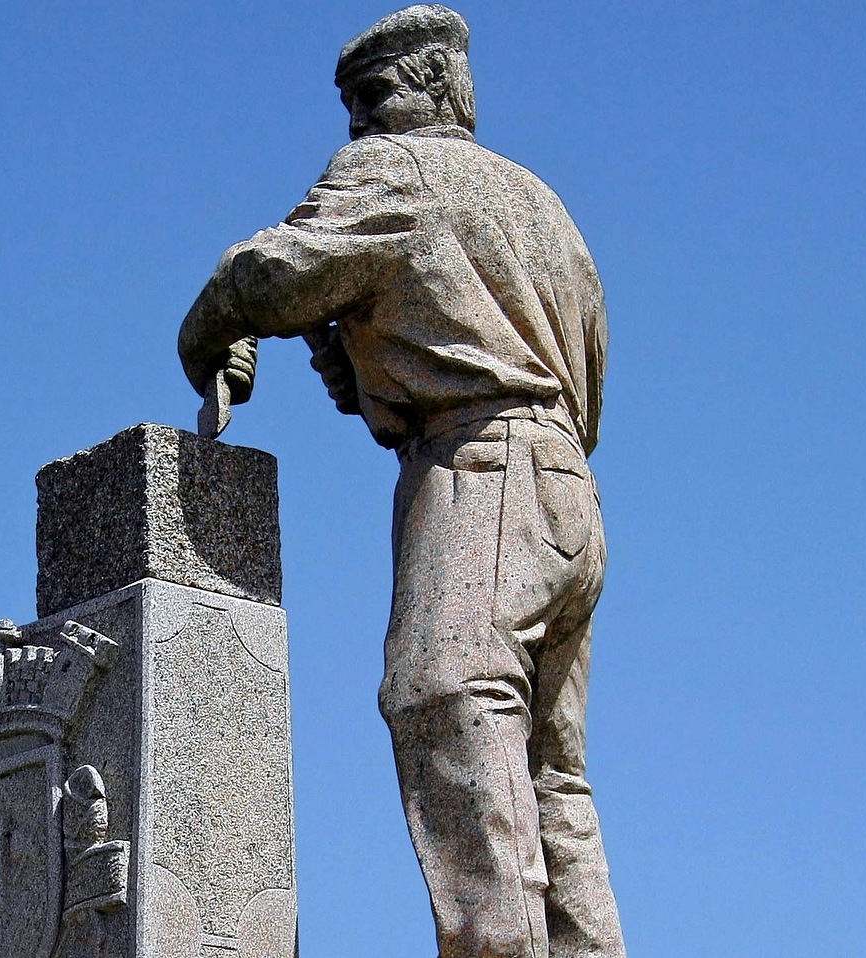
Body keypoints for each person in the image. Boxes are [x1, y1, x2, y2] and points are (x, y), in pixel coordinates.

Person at [176, 6, 626, 956]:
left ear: (437, 90)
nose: (358, 125)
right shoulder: (543, 204)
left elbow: (275, 272)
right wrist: (357, 353)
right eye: (350, 106)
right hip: (568, 488)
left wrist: (211, 323)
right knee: (550, 772)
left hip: (480, 474)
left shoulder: (398, 171)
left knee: (445, 700)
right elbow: (572, 352)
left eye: (374, 96)